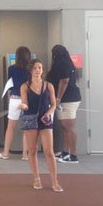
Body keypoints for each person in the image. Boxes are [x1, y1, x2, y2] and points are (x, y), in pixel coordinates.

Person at [20, 59, 62, 192]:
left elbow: (54, 104)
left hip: (45, 119)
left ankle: (55, 181)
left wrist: (48, 113)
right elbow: (25, 102)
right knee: (32, 150)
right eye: (35, 68)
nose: (38, 70)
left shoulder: (49, 86)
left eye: (40, 68)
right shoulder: (25, 86)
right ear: (31, 70)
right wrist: (23, 105)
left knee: (49, 151)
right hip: (30, 118)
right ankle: (36, 178)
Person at [46, 44, 81, 164]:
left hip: (68, 99)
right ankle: (66, 152)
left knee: (69, 127)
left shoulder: (62, 64)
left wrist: (58, 98)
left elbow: (64, 81)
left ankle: (74, 155)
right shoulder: (68, 63)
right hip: (70, 98)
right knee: (65, 127)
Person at [0, 46, 31, 160]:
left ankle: (6, 153)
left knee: (10, 127)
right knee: (26, 128)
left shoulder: (11, 68)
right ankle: (25, 155)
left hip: (15, 98)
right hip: (27, 99)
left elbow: (10, 82)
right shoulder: (31, 69)